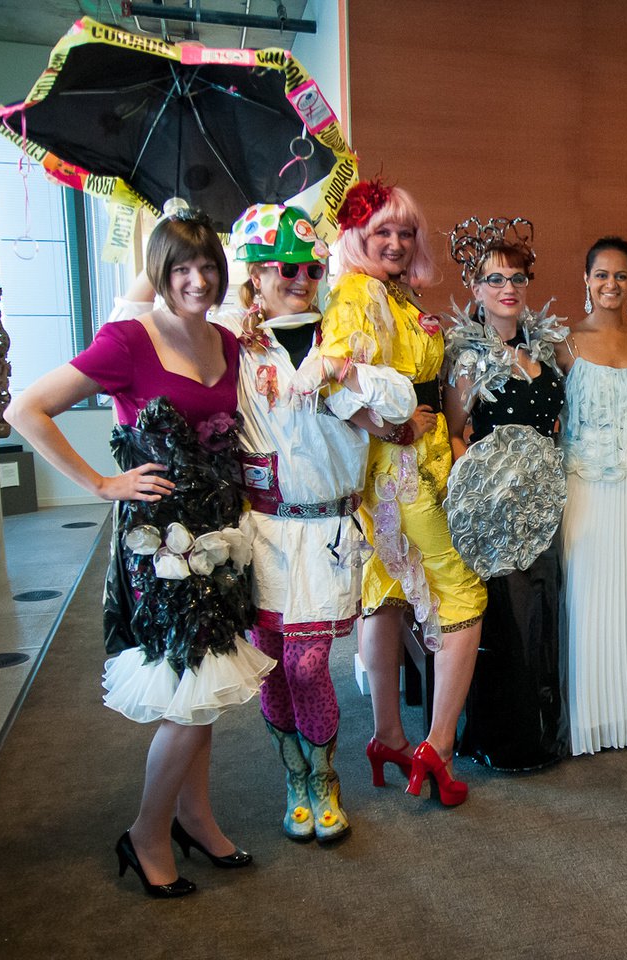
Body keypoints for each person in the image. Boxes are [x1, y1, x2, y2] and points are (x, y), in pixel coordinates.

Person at [6, 209, 272, 897]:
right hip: (160, 546)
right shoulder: (127, 339)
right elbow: (26, 409)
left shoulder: (225, 340)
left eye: (207, 265)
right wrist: (100, 481)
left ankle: (195, 817)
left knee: (204, 688)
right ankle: (147, 832)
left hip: (220, 534)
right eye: (181, 267)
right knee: (188, 691)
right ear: (158, 271)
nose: (197, 278)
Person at [218, 204, 417, 841]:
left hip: (327, 531)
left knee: (307, 665)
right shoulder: (234, 343)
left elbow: (401, 401)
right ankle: (294, 776)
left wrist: (347, 370)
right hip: (261, 532)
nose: (297, 277)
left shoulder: (342, 336)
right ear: (254, 275)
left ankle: (325, 776)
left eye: (308, 266)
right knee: (269, 664)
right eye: (282, 267)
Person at [320, 180, 485, 807]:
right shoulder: (358, 293)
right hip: (403, 468)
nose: (394, 242)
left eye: (404, 232)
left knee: (385, 590)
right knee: (461, 590)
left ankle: (389, 735)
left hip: (406, 463)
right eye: (381, 231)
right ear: (356, 237)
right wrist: (390, 425)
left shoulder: (392, 292)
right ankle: (437, 747)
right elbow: (332, 380)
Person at [444, 216, 570, 771]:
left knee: (543, 610)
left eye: (516, 278)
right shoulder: (469, 359)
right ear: (476, 290)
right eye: (495, 279)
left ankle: (543, 731)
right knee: (508, 617)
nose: (508, 288)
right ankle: (504, 738)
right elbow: (453, 435)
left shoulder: (545, 349)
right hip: (495, 509)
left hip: (544, 501)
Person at [557, 236, 627, 754]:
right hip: (585, 489)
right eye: (601, 274)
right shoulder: (564, 343)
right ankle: (587, 718)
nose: (611, 285)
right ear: (586, 279)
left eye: (621, 276)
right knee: (586, 599)